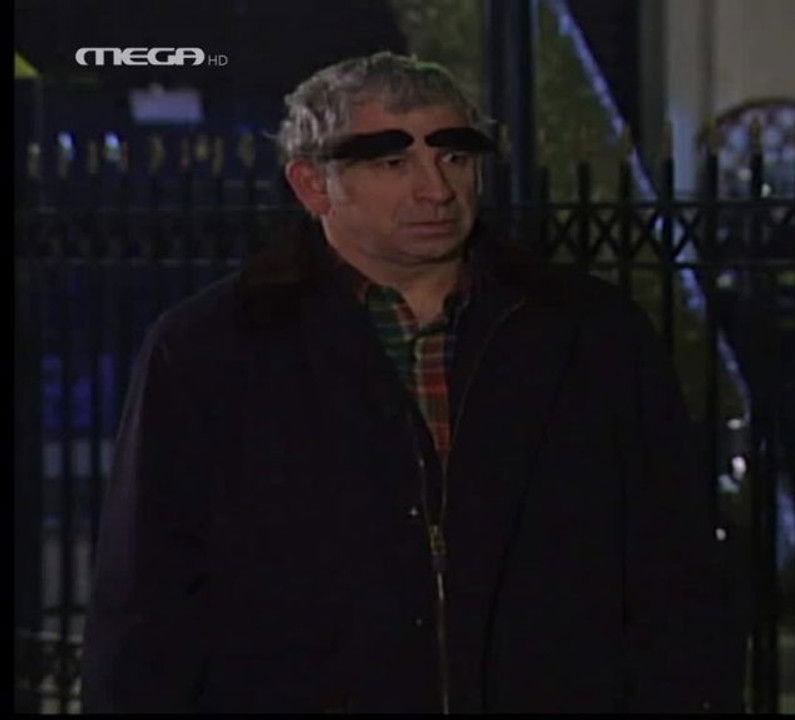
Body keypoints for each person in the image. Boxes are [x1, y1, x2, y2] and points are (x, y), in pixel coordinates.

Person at [82, 51, 744, 713]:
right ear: (313, 185)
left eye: (453, 157)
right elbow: (148, 594)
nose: (437, 190)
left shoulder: (590, 334)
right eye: (392, 164)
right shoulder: (212, 349)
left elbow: (673, 563)